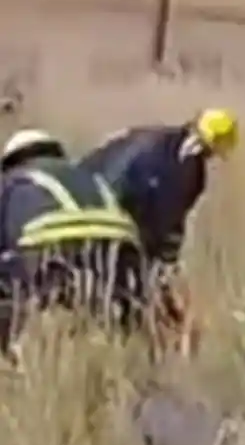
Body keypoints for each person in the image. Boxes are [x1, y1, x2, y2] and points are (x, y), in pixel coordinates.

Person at [79, 108, 240, 348]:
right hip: (109, 228)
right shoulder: (185, 169)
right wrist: (163, 278)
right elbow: (165, 231)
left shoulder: (151, 136)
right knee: (125, 312)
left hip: (76, 203)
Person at [0, 127, 144, 351]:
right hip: (119, 245)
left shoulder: (13, 180)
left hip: (52, 246)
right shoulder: (88, 176)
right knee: (115, 323)